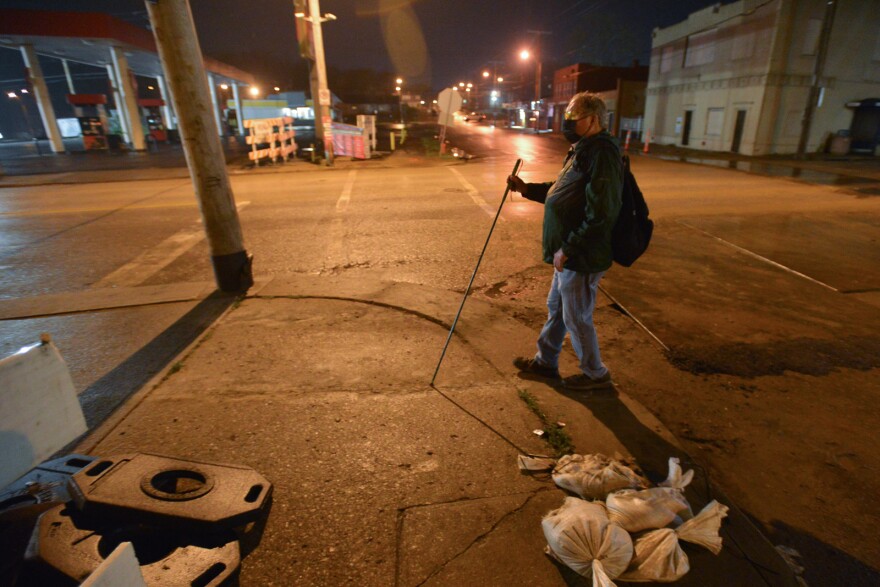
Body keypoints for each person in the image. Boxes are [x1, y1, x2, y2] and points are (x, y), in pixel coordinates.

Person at [508, 92, 622, 390]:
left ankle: (596, 376)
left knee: (577, 317)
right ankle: (546, 362)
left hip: (581, 254)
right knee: (557, 308)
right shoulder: (582, 149)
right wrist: (526, 189)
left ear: (593, 119)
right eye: (566, 117)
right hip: (568, 252)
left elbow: (602, 213)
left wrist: (569, 249)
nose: (567, 123)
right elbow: (562, 191)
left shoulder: (603, 154)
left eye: (574, 118)